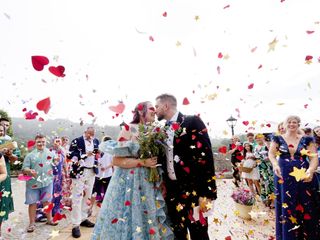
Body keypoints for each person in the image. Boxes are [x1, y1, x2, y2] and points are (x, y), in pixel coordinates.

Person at [92, 101, 174, 240]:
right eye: (151, 109)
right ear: (141, 112)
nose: (154, 111)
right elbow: (116, 161)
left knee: (149, 215)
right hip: (129, 183)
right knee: (130, 215)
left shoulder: (154, 131)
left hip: (149, 182)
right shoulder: (128, 129)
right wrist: (142, 162)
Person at [155, 94, 217, 240]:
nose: (155, 110)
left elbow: (206, 157)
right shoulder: (162, 130)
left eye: (157, 106)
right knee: (178, 233)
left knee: (199, 232)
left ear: (166, 106)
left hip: (195, 190)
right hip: (173, 191)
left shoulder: (192, 121)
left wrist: (208, 193)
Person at [269, 115, 319, 239]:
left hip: (303, 174)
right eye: (289, 122)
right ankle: (288, 236)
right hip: (283, 174)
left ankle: (306, 235)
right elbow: (271, 154)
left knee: (305, 203)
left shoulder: (307, 139)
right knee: (287, 203)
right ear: (285, 124)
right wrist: (275, 164)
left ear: (298, 124)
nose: (292, 124)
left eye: (295, 122)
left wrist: (311, 170)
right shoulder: (277, 139)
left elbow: (313, 157)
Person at [22, 134, 58, 233]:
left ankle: (49, 219)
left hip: (47, 182)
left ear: (45, 142)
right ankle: (32, 223)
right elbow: (24, 168)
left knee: (47, 201)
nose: (41, 143)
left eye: (43, 142)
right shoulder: (30, 155)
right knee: (32, 203)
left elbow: (55, 163)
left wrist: (56, 161)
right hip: (33, 183)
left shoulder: (51, 153)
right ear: (35, 142)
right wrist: (29, 171)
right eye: (39, 142)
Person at [68, 127, 99, 238]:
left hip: (92, 171)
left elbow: (97, 155)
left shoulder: (96, 141)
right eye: (89, 133)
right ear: (85, 132)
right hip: (79, 172)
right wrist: (85, 155)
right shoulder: (76, 141)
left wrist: (98, 154)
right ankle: (75, 225)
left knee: (88, 197)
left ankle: (83, 218)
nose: (91, 136)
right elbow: (71, 155)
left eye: (93, 134)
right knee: (77, 198)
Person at [0, 124, 17, 237]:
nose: (0, 132)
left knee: (2, 204)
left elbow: (15, 159)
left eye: (2, 130)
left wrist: (10, 154)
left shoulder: (8, 143)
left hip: (3, 177)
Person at [91, 136, 113, 208]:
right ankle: (92, 202)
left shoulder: (111, 152)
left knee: (107, 188)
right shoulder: (98, 150)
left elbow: (113, 163)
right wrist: (98, 164)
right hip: (98, 174)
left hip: (108, 174)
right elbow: (95, 159)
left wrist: (106, 167)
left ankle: (105, 201)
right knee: (95, 189)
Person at [254, 134, 274, 207]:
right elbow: (255, 157)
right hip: (260, 168)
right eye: (256, 138)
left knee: (270, 183)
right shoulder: (255, 147)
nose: (258, 139)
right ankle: (265, 199)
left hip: (268, 167)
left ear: (263, 138)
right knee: (263, 183)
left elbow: (273, 154)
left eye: (260, 138)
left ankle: (272, 200)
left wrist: (268, 158)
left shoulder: (267, 145)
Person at [61, 136, 72, 207]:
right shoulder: (60, 149)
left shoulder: (69, 148)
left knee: (69, 186)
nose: (65, 141)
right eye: (63, 140)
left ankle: (68, 201)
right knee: (63, 186)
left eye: (66, 140)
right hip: (63, 170)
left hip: (69, 168)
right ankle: (63, 201)